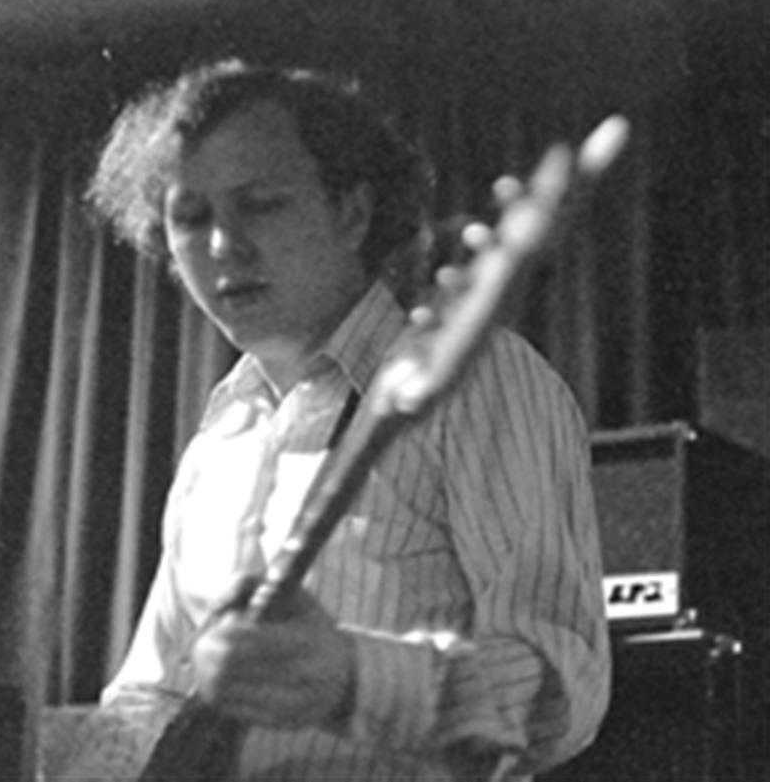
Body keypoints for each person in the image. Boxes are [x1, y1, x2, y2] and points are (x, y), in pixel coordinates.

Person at [54, 57, 611, 781]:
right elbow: (152, 691)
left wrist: (354, 677)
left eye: (260, 203)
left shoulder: (483, 378)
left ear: (352, 210)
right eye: (191, 217)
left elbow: (565, 686)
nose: (223, 246)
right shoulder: (219, 436)